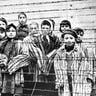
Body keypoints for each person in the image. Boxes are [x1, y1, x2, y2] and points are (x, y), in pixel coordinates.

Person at [54, 29, 95, 96]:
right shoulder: (59, 54)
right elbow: (57, 68)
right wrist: (60, 80)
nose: (69, 40)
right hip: (65, 79)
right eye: (66, 38)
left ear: (74, 39)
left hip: (78, 79)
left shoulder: (80, 52)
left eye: (71, 38)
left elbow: (85, 66)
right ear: (63, 40)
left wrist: (86, 80)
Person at [0, 23, 23, 96]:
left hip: (17, 70)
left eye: (13, 31)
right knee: (6, 91)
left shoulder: (20, 43)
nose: (11, 33)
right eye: (9, 31)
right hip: (5, 71)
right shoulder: (3, 44)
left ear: (16, 32)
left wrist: (14, 63)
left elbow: (25, 56)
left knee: (18, 90)